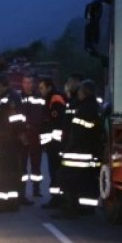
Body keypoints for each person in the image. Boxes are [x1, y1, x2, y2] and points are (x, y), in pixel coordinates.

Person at [54, 79, 103, 219]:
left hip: (78, 152)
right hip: (90, 151)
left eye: (81, 91)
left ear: (86, 92)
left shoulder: (84, 109)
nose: (79, 94)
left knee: (68, 180)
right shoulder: (95, 107)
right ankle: (86, 209)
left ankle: (70, 209)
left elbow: (77, 132)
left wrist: (67, 148)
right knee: (87, 182)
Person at [0, 74, 29, 210]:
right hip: (6, 139)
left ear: (1, 85)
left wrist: (18, 134)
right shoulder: (5, 97)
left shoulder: (11, 98)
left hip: (10, 140)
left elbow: (16, 119)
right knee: (10, 170)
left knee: (10, 170)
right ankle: (15, 198)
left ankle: (14, 200)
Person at [38, 78, 67, 209]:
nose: (40, 91)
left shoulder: (55, 99)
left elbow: (55, 121)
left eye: (42, 88)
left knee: (55, 171)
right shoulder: (50, 99)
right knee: (53, 171)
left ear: (49, 87)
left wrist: (51, 140)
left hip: (55, 144)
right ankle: (56, 198)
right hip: (53, 143)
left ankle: (57, 199)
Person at [19, 73, 46, 199]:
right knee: (22, 164)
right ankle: (22, 191)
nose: (27, 85)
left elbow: (41, 116)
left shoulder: (39, 97)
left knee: (36, 164)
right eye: (25, 82)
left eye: (29, 82)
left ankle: (36, 189)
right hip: (22, 135)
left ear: (33, 83)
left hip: (35, 135)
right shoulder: (18, 97)